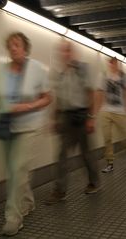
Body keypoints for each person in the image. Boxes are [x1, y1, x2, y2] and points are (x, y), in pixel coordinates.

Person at [0, 32, 51, 236]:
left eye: (17, 44)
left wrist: (28, 105)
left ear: (25, 48)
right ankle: (27, 202)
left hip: (29, 127)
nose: (13, 48)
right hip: (6, 126)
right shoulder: (1, 71)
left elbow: (47, 98)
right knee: (14, 170)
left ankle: (13, 218)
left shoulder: (36, 69)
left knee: (18, 169)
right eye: (10, 45)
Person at [45, 40, 100, 205]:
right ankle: (60, 191)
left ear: (73, 53)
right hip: (66, 118)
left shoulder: (83, 69)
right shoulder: (58, 73)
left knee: (87, 154)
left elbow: (92, 94)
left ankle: (94, 182)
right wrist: (54, 119)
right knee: (61, 155)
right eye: (62, 51)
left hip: (82, 116)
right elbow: (57, 98)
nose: (65, 54)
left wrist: (91, 118)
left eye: (68, 51)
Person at [94, 57, 126, 173]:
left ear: (118, 65)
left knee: (124, 137)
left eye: (114, 64)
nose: (112, 66)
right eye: (110, 64)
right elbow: (98, 93)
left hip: (120, 112)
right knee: (107, 138)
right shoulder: (103, 76)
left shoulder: (125, 77)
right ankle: (110, 163)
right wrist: (95, 111)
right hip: (106, 111)